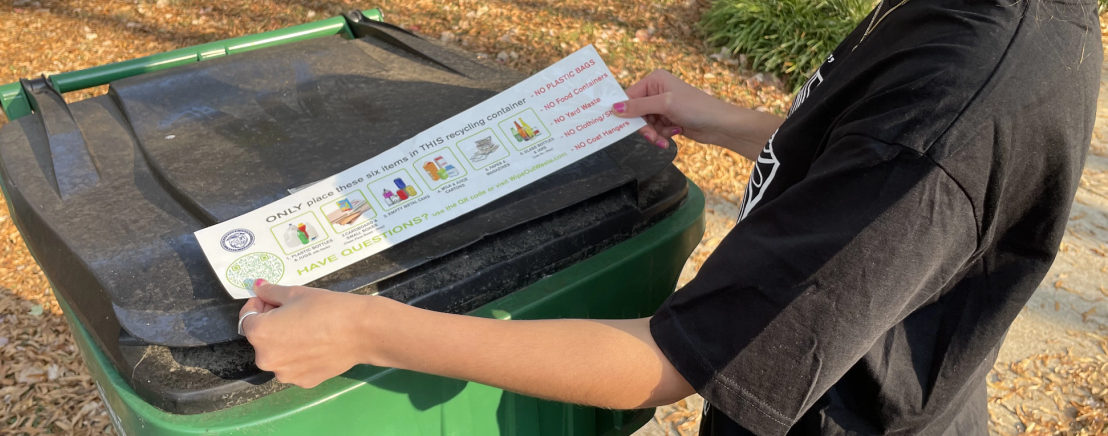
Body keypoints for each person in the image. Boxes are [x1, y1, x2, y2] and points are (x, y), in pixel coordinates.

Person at [237, 0, 1100, 433]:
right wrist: (727, 120)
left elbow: (671, 361)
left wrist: (372, 330)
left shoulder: (963, 94)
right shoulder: (993, 19)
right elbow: (865, 165)